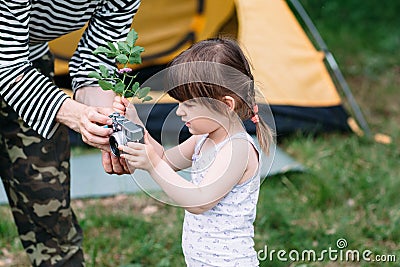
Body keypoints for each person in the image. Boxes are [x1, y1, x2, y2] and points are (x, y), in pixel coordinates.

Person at [0, 0, 140, 266]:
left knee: (48, 202)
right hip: (11, 64)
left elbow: (95, 62)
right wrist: (76, 116)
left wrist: (109, 121)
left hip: (27, 62)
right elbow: (6, 66)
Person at [113, 38, 273, 266]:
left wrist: (152, 165)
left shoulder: (237, 149)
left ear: (225, 105)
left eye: (188, 105)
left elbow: (199, 201)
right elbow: (166, 161)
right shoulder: (202, 139)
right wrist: (137, 126)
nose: (179, 112)